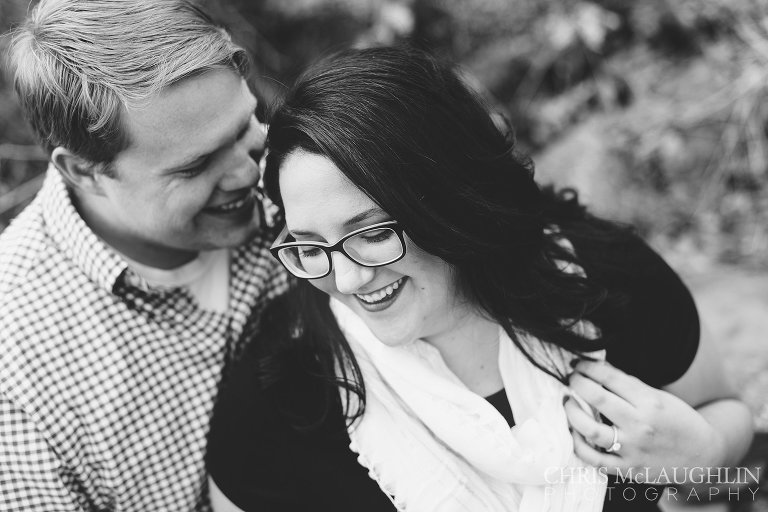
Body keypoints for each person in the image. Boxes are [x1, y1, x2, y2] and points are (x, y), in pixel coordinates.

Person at [206, 46, 754, 512]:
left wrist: (703, 461)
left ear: (448, 201)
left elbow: (730, 426)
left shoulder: (605, 278)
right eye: (309, 245)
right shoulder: (274, 405)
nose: (345, 280)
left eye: (372, 231)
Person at [0, 1, 287, 510]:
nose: (248, 173)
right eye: (196, 166)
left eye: (245, 126)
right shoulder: (19, 375)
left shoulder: (308, 179)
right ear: (84, 171)